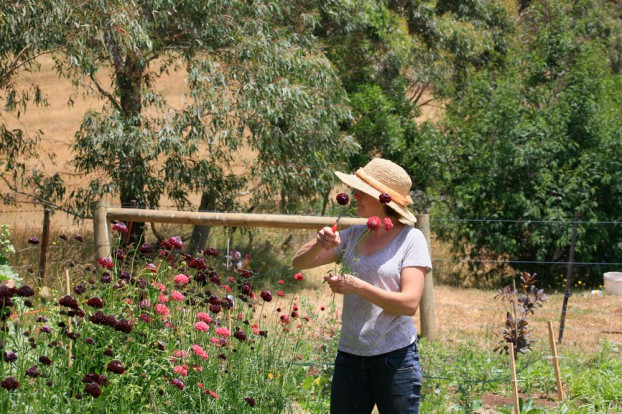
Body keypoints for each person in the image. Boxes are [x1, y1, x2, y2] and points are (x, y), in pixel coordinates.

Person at [292, 158, 432, 414]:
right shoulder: (354, 235)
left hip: (396, 358)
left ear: (383, 199)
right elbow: (299, 263)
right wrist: (319, 242)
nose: (354, 195)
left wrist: (359, 287)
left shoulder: (411, 239)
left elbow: (410, 304)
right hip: (350, 356)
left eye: (361, 190)